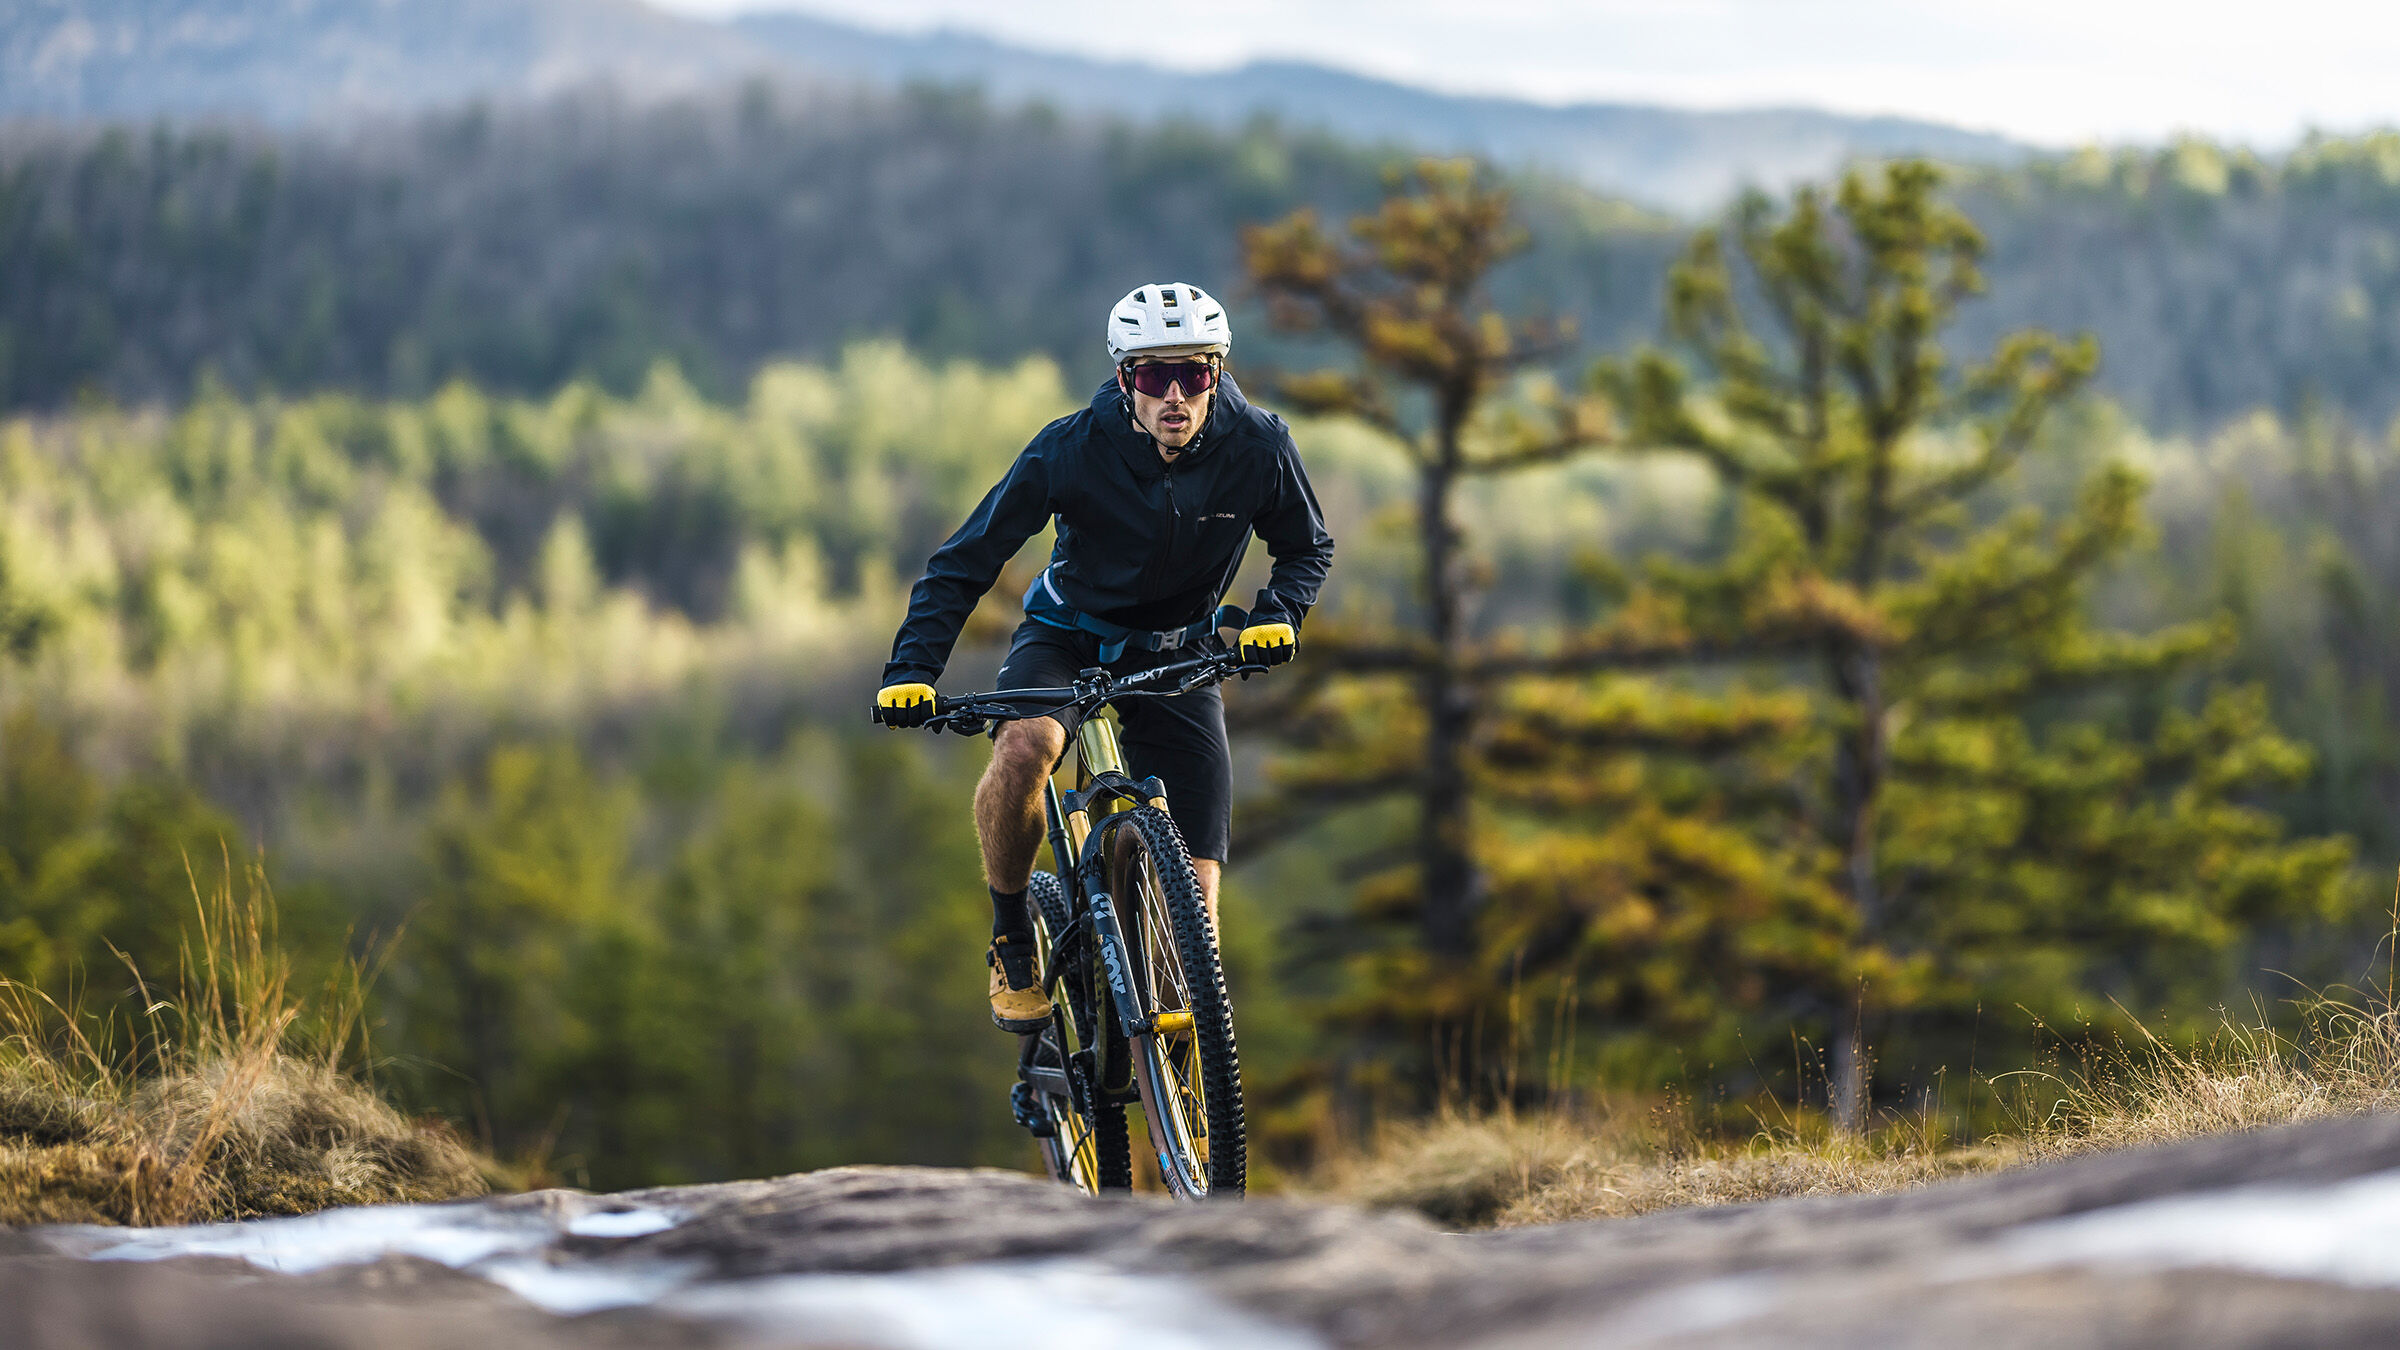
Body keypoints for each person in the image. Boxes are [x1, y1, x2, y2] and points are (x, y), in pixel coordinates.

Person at [876, 282, 1335, 1031]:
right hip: (1067, 636)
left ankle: (1185, 1122)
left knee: (1199, 905)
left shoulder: (1258, 447)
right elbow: (964, 561)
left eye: (1195, 373)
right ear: (1126, 380)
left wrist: (1277, 616)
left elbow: (1305, 546)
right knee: (1028, 746)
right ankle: (1012, 930)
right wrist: (911, 672)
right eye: (1155, 377)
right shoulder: (1071, 448)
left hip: (1178, 652)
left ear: (1218, 373)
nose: (1177, 395)